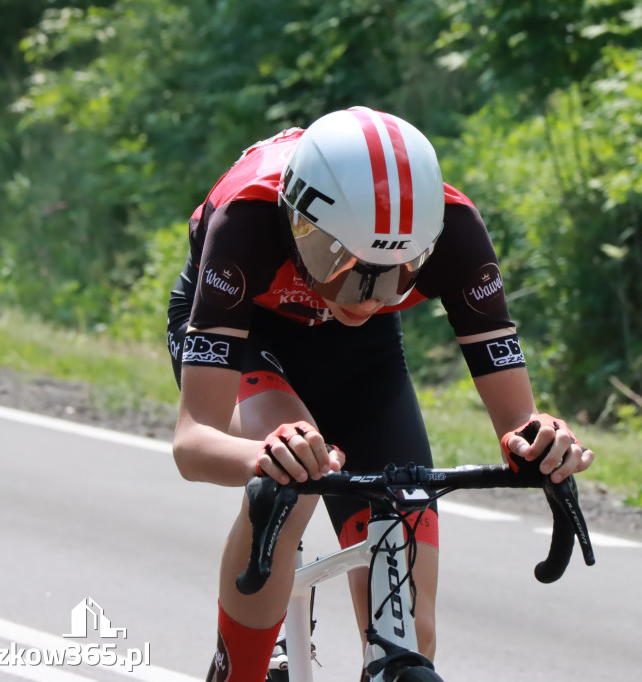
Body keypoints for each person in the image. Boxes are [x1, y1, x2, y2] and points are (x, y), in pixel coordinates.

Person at [166, 106, 595, 682]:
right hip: (251, 334)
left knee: (408, 620)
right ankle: (240, 669)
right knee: (295, 473)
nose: (368, 297)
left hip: (362, 357)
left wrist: (544, 444)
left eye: (397, 273)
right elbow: (194, 443)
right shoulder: (244, 222)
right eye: (339, 264)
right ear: (298, 223)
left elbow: (518, 422)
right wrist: (264, 460)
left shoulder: (458, 232)